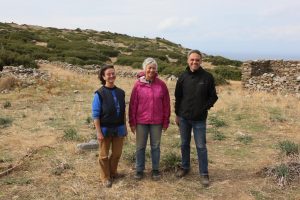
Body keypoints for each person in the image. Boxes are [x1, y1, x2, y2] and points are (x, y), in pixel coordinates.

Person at [174, 50, 218, 187]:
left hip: (199, 119)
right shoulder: (182, 77)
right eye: (192, 59)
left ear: (201, 61)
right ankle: (185, 167)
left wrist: (204, 107)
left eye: (197, 60)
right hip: (184, 118)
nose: (194, 62)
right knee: (184, 144)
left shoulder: (207, 77)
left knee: (201, 146)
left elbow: (213, 97)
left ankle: (204, 173)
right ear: (188, 60)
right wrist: (177, 114)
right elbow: (178, 97)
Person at [129, 57, 170, 181]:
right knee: (140, 147)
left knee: (155, 147)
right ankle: (139, 170)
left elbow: (166, 104)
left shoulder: (162, 85)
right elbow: (132, 105)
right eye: (149, 68)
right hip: (141, 121)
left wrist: (165, 121)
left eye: (154, 68)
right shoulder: (138, 85)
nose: (151, 70)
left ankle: (155, 170)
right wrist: (132, 122)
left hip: (157, 122)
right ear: (145, 69)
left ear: (156, 70)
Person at [92, 64, 127, 188]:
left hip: (119, 128)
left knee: (117, 154)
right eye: (108, 74)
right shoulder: (99, 94)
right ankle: (105, 177)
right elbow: (95, 115)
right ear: (103, 77)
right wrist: (98, 132)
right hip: (105, 129)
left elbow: (123, 112)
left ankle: (113, 173)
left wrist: (125, 129)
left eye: (113, 73)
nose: (111, 76)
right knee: (103, 155)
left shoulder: (121, 92)